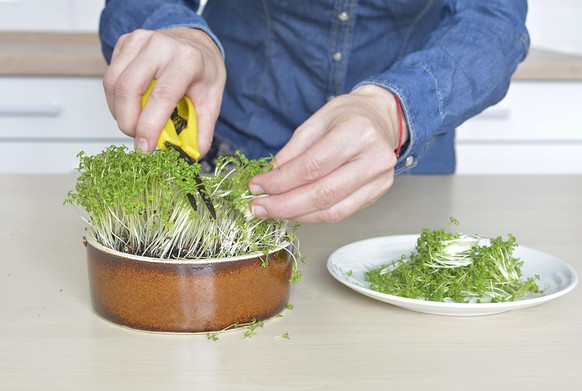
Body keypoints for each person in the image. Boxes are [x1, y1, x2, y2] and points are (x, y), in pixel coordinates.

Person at [99, 0, 529, 223]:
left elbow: (493, 22)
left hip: (401, 166)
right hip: (231, 156)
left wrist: (390, 110)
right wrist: (180, 31)